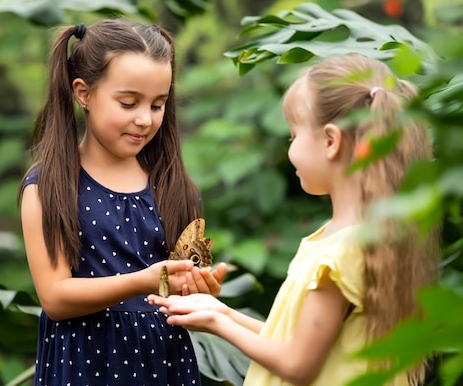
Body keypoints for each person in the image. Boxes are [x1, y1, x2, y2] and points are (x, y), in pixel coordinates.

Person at [149, 54, 440, 386]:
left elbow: (298, 365)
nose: (290, 147)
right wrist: (223, 313)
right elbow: (295, 342)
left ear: (331, 141)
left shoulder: (342, 253)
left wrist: (220, 325)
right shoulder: (360, 237)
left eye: (293, 135)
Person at [19, 18, 228, 386]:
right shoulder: (48, 187)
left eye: (158, 105)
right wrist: (143, 281)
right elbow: (55, 296)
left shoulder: (176, 187)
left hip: (164, 365)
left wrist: (196, 288)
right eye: (129, 103)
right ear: (83, 93)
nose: (145, 119)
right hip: (83, 366)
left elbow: (177, 283)